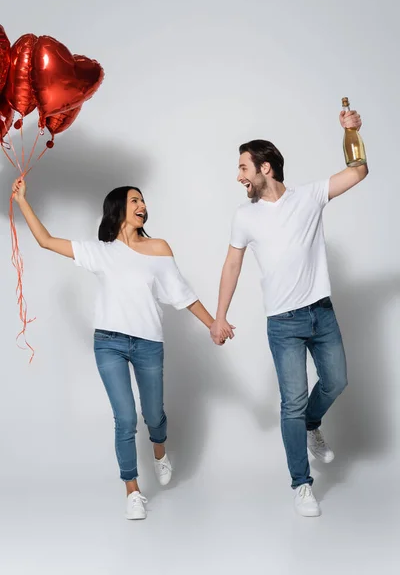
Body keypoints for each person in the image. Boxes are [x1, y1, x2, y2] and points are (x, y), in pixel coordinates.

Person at [12, 182, 217, 520]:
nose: (142, 205)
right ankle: (133, 491)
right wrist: (21, 200)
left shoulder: (158, 248)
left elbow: (183, 294)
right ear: (118, 208)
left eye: (143, 200)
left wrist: (212, 324)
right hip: (108, 343)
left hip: (148, 343)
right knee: (124, 418)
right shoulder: (100, 251)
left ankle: (160, 450)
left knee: (153, 415)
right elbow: (46, 241)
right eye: (134, 199)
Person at [210, 109, 368, 517]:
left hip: (322, 313)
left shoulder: (309, 196)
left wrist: (351, 132)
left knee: (337, 381)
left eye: (244, 167)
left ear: (266, 168)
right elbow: (232, 265)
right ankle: (302, 485)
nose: (239, 176)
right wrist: (219, 316)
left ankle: (312, 426)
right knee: (291, 404)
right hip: (283, 323)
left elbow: (358, 171)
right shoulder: (244, 216)